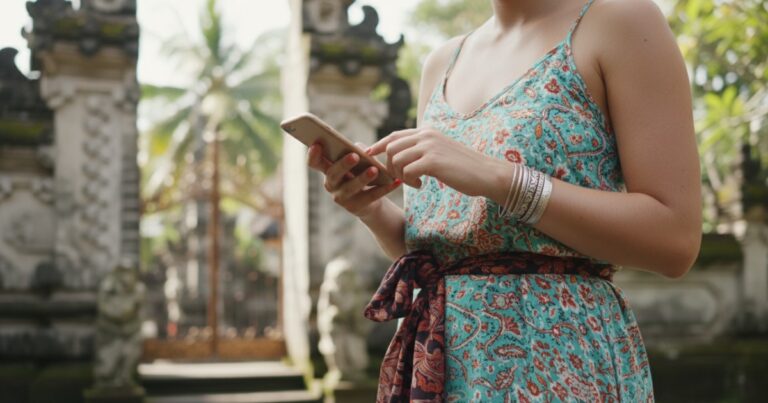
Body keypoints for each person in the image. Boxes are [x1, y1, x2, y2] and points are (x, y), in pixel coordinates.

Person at [306, 0, 701, 401]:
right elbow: (451, 256)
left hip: (558, 364)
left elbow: (675, 240)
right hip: (441, 368)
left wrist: (501, 179)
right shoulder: (443, 61)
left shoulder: (621, 21)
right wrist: (371, 210)